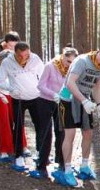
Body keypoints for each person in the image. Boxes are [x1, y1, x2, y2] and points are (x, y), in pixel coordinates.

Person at [53, 44, 100, 187]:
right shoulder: (82, 61)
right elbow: (70, 83)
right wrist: (84, 100)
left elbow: (95, 87)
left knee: (88, 133)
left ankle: (84, 166)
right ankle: (67, 170)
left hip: (85, 101)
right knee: (69, 135)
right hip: (68, 99)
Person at [30, 46, 79, 179]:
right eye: (68, 61)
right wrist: (53, 94)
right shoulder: (50, 66)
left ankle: (62, 163)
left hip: (62, 103)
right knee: (45, 133)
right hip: (45, 101)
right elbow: (40, 86)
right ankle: (41, 165)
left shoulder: (74, 70)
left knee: (62, 133)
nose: (70, 65)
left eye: (73, 63)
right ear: (63, 57)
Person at [0, 42, 44, 172]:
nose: (23, 58)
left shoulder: (35, 59)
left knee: (40, 125)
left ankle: (40, 153)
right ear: (14, 53)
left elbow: (43, 76)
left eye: (26, 55)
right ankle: (18, 155)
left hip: (35, 96)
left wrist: (43, 90)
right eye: (20, 56)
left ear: (30, 52)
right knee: (18, 126)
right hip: (18, 98)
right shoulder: (7, 62)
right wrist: (11, 89)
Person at [0, 49, 28, 161]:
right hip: (0, 96)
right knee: (4, 122)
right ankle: (4, 149)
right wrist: (0, 95)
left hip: (14, 96)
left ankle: (22, 146)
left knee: (18, 121)